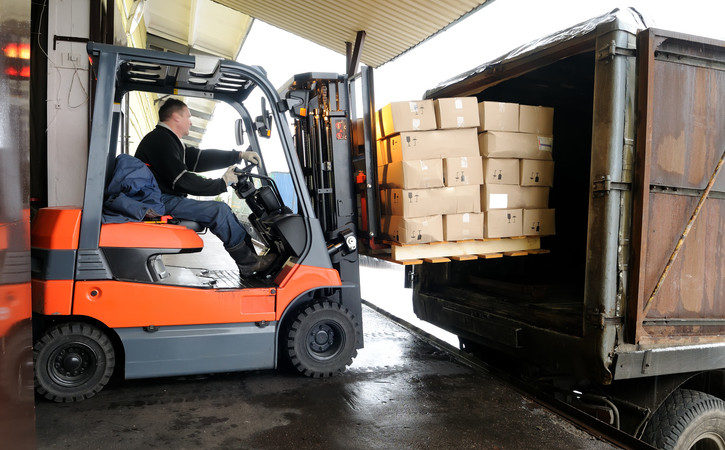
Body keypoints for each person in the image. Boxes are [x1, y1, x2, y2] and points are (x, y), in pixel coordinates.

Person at [134, 98, 275, 276]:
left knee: (222, 210)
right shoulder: (161, 140)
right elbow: (182, 180)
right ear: (176, 117)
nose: (191, 121)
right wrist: (221, 183)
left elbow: (199, 158)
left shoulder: (168, 140)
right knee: (219, 211)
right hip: (157, 202)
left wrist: (238, 155)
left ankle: (252, 261)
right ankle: (249, 263)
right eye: (188, 116)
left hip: (160, 199)